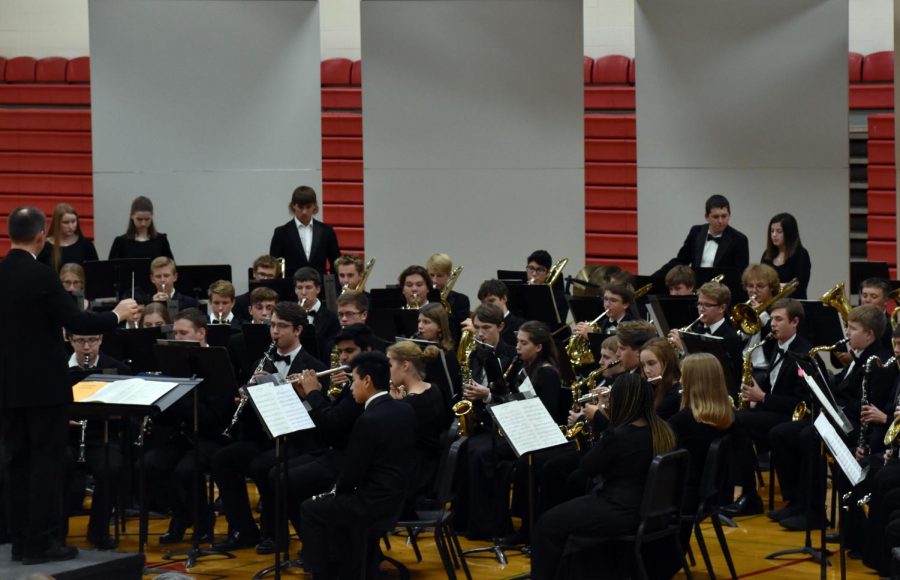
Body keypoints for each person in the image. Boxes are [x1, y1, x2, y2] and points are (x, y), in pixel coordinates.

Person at [0, 206, 138, 565]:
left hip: (7, 387)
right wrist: (117, 315)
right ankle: (43, 543)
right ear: (40, 234)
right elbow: (76, 319)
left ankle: (20, 541)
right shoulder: (42, 275)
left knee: (16, 463)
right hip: (43, 389)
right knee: (45, 464)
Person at [530, 373, 677, 579]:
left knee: (546, 525)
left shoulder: (618, 436)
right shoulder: (663, 430)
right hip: (652, 512)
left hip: (620, 511)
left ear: (621, 401)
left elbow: (587, 467)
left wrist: (602, 419)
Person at [211, 301, 328, 555]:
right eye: (272, 325)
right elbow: (254, 414)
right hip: (267, 437)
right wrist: (246, 397)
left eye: (282, 326)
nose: (274, 332)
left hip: (301, 441)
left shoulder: (315, 368)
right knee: (223, 459)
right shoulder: (260, 363)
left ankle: (276, 534)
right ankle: (244, 529)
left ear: (298, 330)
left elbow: (321, 416)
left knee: (263, 466)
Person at [299, 351, 417, 579]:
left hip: (374, 503)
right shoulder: (404, 408)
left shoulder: (368, 419)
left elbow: (353, 472)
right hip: (397, 497)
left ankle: (324, 573)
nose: (351, 388)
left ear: (367, 380)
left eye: (353, 381)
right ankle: (348, 566)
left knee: (310, 509)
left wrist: (334, 493)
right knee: (331, 504)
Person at [724, 298, 814, 517]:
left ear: (795, 322)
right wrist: (757, 393)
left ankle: (750, 494)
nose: (772, 324)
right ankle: (745, 491)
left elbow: (801, 401)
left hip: (792, 416)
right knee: (732, 419)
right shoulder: (776, 344)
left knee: (739, 422)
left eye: (779, 319)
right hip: (774, 410)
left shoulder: (804, 353)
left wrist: (763, 397)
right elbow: (774, 381)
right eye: (772, 319)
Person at [64, 331, 131, 550]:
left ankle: (99, 530)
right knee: (57, 468)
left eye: (92, 340)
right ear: (70, 340)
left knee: (111, 469)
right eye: (80, 341)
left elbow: (125, 418)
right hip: (66, 437)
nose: (86, 347)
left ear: (101, 340)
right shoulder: (58, 367)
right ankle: (57, 532)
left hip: (101, 435)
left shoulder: (118, 370)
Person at [668, 353, 734, 545]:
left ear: (692, 382)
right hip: (705, 497)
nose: (680, 381)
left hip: (681, 497)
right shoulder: (726, 417)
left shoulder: (685, 420)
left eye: (683, 377)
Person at [386, 341, 449, 509]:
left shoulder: (409, 405)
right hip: (432, 468)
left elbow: (394, 441)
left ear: (405, 365)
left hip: (416, 477)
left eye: (390, 365)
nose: (388, 370)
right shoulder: (433, 389)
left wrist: (394, 407)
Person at [652, 194, 749, 277]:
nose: (720, 221)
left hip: (722, 294)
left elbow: (741, 274)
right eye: (716, 217)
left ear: (729, 215)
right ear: (706, 216)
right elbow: (680, 261)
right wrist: (653, 278)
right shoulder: (696, 232)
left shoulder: (739, 239)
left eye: (724, 216)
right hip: (697, 289)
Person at [269, 185, 340, 279]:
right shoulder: (281, 232)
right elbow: (274, 266)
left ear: (314, 205)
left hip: (320, 287)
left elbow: (336, 263)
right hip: (291, 288)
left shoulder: (327, 231)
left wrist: (332, 288)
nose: (304, 212)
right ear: (293, 205)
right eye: (300, 207)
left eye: (308, 207)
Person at [416, 302, 462, 403]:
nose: (420, 326)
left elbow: (449, 390)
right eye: (419, 321)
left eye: (426, 322)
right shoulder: (417, 348)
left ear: (440, 327)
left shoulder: (447, 354)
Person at [761, 213, 811, 299]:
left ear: (789, 233)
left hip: (793, 305)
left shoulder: (801, 254)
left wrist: (773, 287)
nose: (774, 235)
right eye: (772, 231)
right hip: (770, 304)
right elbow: (761, 281)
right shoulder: (767, 254)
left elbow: (799, 286)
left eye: (779, 231)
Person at [108, 195, 174, 260]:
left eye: (147, 219)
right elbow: (111, 268)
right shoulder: (120, 242)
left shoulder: (161, 240)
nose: (143, 224)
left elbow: (171, 267)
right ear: (131, 216)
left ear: (152, 216)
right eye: (139, 219)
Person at [294, 266, 340, 358]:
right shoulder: (287, 314)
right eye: (299, 287)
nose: (303, 292)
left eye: (308, 287)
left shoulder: (331, 318)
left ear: (318, 289)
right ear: (295, 289)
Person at [37, 203, 98, 270]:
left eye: (73, 221)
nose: (71, 227)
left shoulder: (86, 245)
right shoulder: (45, 246)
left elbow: (95, 270)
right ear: (57, 223)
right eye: (66, 222)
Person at [426, 253, 470, 341]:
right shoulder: (422, 298)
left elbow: (459, 333)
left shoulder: (461, 300)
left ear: (449, 276)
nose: (434, 280)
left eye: (439, 276)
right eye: (431, 275)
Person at [639, 338, 682, 420]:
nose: (646, 370)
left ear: (668, 362)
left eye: (651, 363)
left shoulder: (676, 395)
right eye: (643, 365)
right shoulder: (650, 389)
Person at [233, 255, 280, 323]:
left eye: (270, 276)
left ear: (276, 277)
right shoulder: (239, 302)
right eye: (262, 274)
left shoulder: (282, 302)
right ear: (254, 273)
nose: (265, 279)